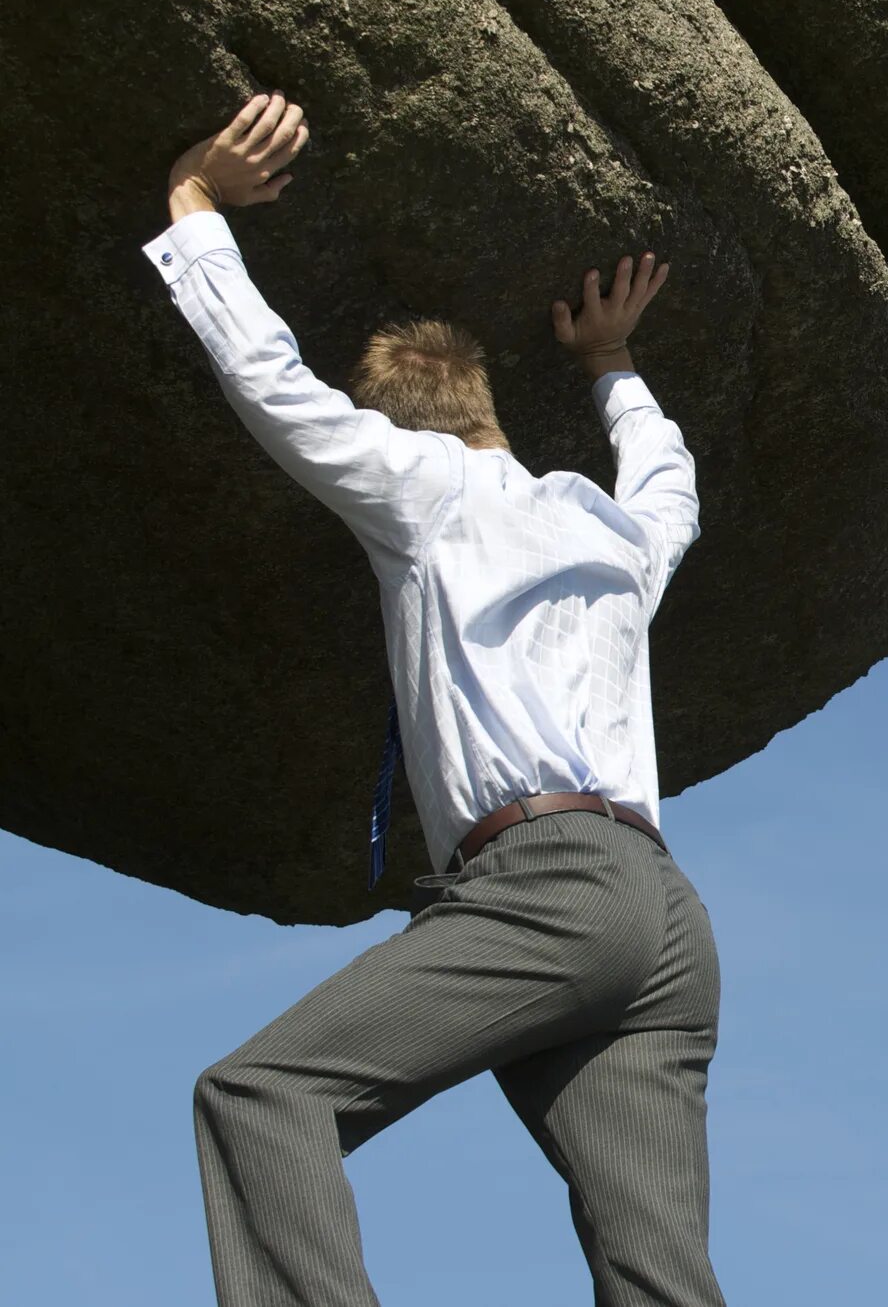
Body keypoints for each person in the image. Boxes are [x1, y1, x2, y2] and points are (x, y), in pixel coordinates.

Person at [144, 91, 728, 1306]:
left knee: (261, 1094)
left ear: (396, 427)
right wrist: (614, 366)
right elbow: (674, 489)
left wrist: (194, 206)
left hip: (548, 889)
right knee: (658, 1271)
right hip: (665, 924)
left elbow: (273, 380)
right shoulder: (611, 531)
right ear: (490, 413)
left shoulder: (421, 489)